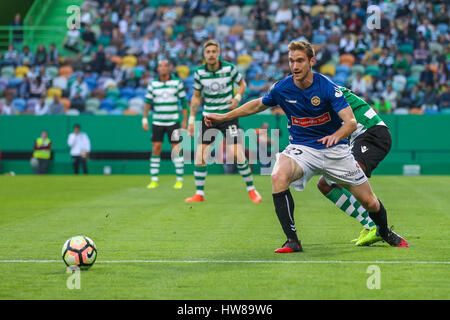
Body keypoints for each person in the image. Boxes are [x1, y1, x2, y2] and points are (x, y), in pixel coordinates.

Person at [205, 40, 408, 252]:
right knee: (279, 176)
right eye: (291, 61)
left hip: (345, 145)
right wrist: (223, 116)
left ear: (311, 61)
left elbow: (351, 122)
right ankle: (292, 240)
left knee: (370, 202)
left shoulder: (327, 87)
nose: (295, 66)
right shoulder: (283, 88)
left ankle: (382, 230)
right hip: (305, 148)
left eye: (300, 61)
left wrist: (336, 135)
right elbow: (258, 103)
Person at [185, 39, 262, 204]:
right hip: (209, 117)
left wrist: (237, 98)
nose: (211, 54)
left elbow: (242, 84)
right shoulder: (199, 72)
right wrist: (191, 120)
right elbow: (197, 97)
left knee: (237, 153)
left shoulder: (229, 68)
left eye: (214, 51)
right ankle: (199, 193)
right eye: (208, 52)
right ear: (204, 55)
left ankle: (252, 190)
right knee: (201, 155)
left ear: (218, 53)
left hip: (228, 116)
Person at [316, 86, 392, 246]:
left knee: (346, 178)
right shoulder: (323, 92)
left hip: (372, 134)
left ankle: (374, 226)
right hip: (360, 138)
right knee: (324, 184)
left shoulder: (325, 91)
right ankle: (369, 224)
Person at [142, 59, 188, 189]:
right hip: (157, 121)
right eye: (160, 66)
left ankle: (179, 180)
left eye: (165, 66)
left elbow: (184, 103)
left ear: (169, 68)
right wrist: (144, 119)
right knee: (156, 148)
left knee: (176, 149)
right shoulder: (152, 84)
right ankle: (154, 179)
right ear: (157, 69)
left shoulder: (177, 83)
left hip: (173, 121)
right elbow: (147, 103)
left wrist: (185, 120)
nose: (163, 68)